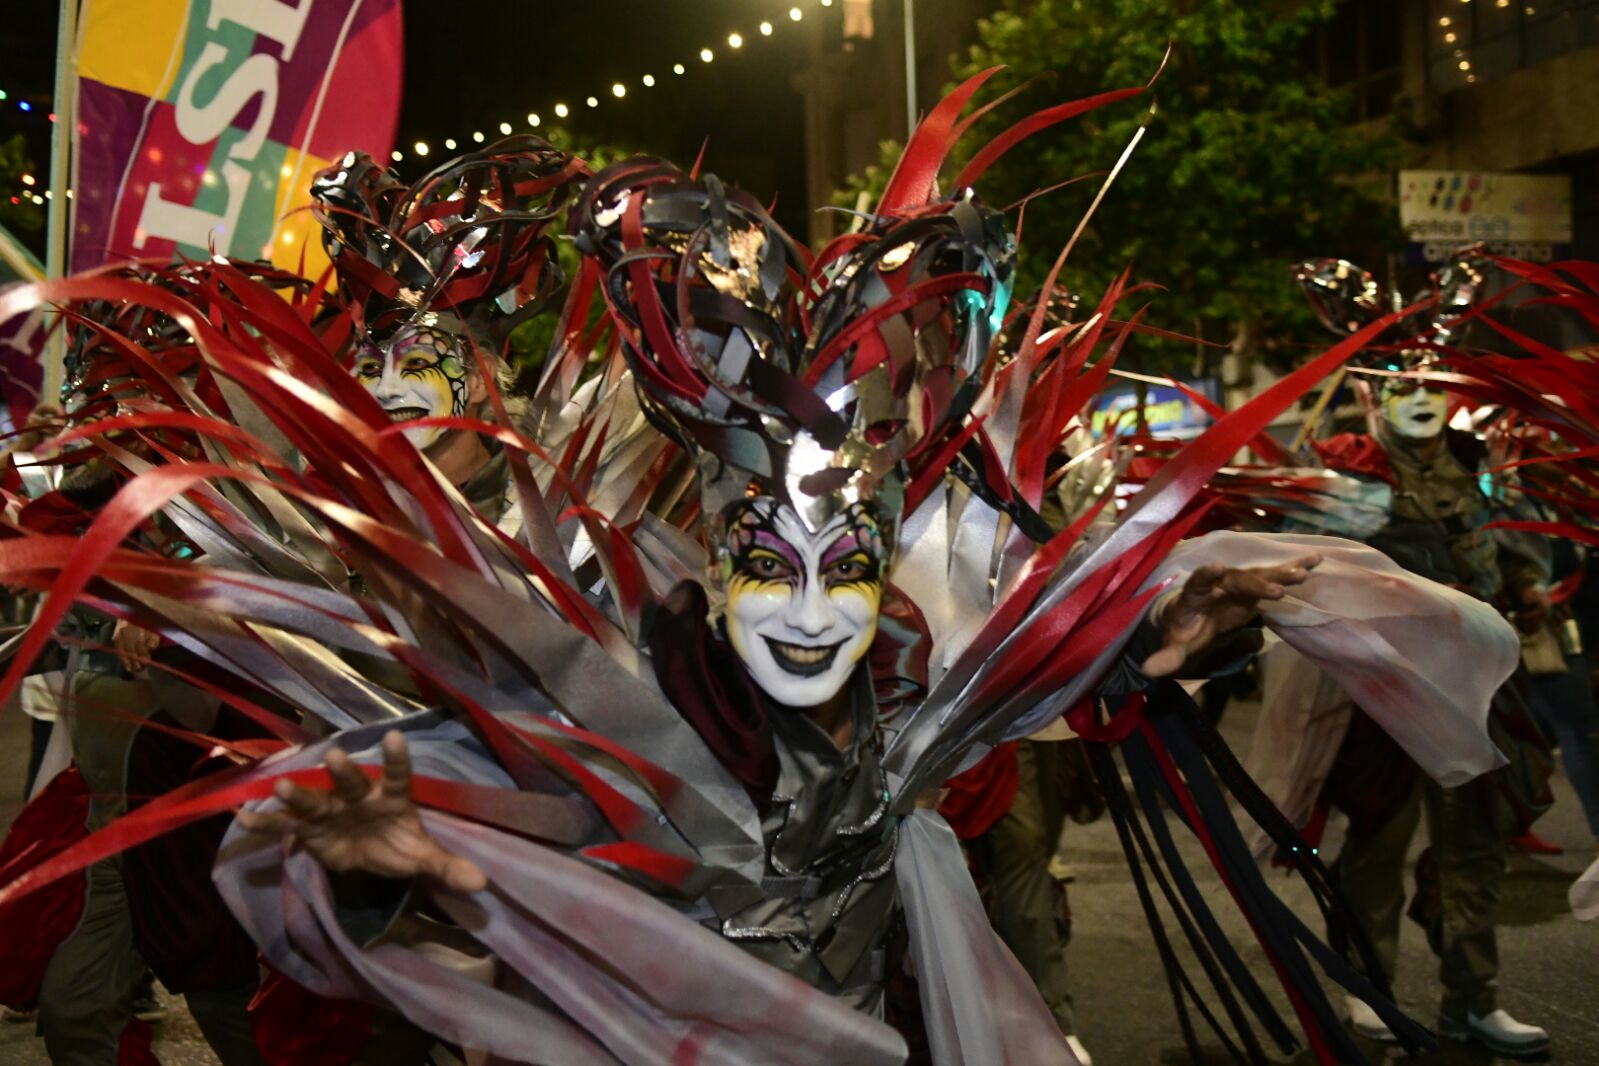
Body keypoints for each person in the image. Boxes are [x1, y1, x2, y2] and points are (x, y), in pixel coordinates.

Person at [0, 85, 1521, 1065]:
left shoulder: (911, 677)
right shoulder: (615, 681)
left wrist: (1185, 617)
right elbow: (465, 839)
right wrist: (409, 867)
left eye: (844, 560)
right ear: (704, 562)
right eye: (764, 558)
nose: (806, 600)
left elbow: (1059, 679)